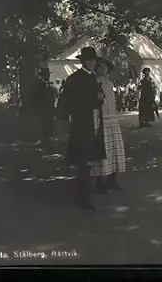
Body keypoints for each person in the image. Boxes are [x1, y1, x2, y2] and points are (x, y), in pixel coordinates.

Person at [56, 47, 106, 210]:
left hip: (93, 120)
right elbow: (65, 101)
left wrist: (99, 98)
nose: (91, 63)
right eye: (88, 60)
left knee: (88, 158)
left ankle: (85, 192)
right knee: (83, 159)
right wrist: (68, 114)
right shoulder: (75, 79)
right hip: (81, 122)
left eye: (93, 60)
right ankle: (84, 196)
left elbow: (99, 97)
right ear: (83, 61)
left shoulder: (92, 78)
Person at [92, 58, 126, 193]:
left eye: (105, 67)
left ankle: (112, 180)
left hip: (113, 120)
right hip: (101, 121)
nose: (103, 69)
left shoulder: (109, 84)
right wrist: (95, 122)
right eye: (100, 67)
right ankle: (100, 184)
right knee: (102, 152)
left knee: (116, 151)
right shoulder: (94, 83)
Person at [30, 67, 56, 149]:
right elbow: (37, 98)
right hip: (43, 108)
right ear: (42, 76)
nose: (47, 76)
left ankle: (47, 140)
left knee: (48, 125)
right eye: (45, 75)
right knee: (44, 125)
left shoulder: (48, 84)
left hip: (49, 108)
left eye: (48, 75)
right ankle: (44, 141)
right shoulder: (39, 85)